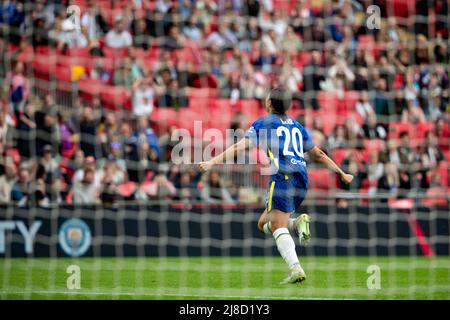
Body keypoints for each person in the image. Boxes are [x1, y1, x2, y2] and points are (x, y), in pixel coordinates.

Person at [199, 88, 353, 284]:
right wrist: (342, 173)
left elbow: (240, 146)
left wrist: (212, 162)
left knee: (277, 226)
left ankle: (296, 268)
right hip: (302, 180)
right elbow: (319, 154)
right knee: (263, 224)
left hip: (282, 178)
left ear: (270, 103)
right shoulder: (297, 126)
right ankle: (297, 223)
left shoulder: (263, 123)